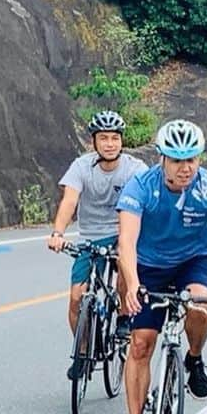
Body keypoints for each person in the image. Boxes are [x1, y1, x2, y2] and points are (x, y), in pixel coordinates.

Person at [115, 119, 207, 414]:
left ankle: (193, 358)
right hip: (149, 265)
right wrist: (133, 284)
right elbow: (126, 241)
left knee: (199, 307)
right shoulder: (140, 186)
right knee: (141, 343)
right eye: (177, 160)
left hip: (192, 261)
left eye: (192, 159)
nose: (185, 168)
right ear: (162, 159)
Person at [47, 111, 148, 377]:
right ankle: (82, 353)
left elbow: (149, 199)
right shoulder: (81, 166)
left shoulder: (135, 168)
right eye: (103, 138)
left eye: (115, 138)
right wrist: (58, 233)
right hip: (90, 237)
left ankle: (125, 317)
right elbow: (70, 200)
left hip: (122, 233)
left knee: (124, 264)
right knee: (76, 298)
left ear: (122, 141)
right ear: (94, 142)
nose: (110, 143)